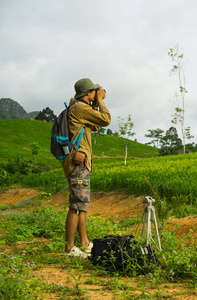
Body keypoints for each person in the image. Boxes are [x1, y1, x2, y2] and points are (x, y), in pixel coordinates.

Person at [62, 78, 111, 257]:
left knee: (82, 205)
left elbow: (96, 125)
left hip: (82, 163)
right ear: (88, 93)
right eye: (95, 91)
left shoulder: (80, 109)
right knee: (76, 205)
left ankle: (84, 242)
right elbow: (106, 120)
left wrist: (96, 103)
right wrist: (102, 102)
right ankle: (69, 248)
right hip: (78, 163)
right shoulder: (80, 108)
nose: (97, 94)